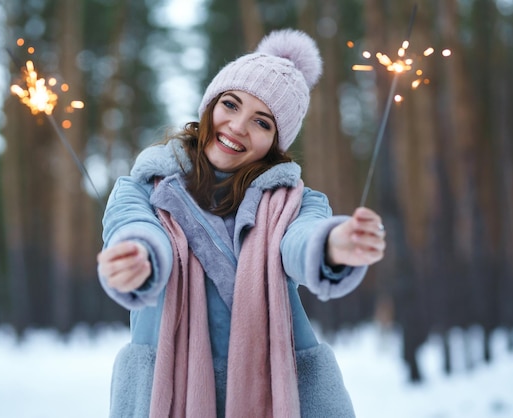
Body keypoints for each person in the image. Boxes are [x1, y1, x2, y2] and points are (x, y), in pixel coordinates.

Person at [97, 29, 386, 418]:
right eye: (231, 104)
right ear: (210, 104)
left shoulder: (296, 202)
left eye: (262, 122)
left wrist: (335, 245)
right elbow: (135, 227)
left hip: (277, 386)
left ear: (275, 143)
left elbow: (301, 240)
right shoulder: (141, 189)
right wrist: (137, 257)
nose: (237, 126)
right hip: (166, 386)